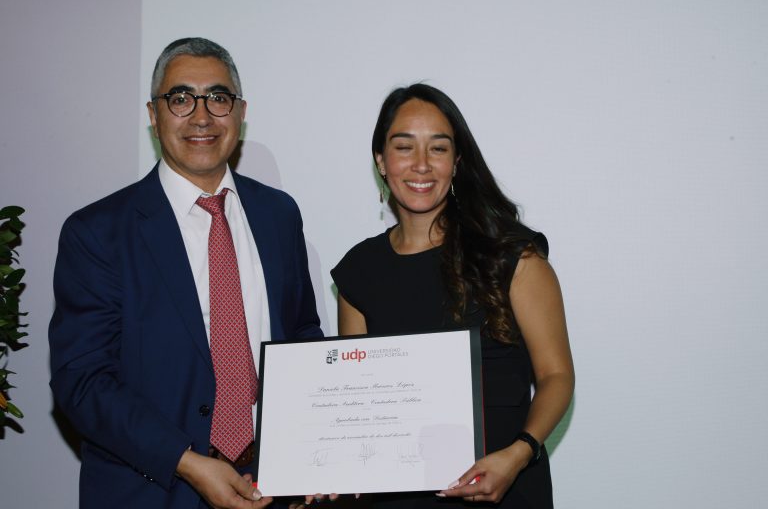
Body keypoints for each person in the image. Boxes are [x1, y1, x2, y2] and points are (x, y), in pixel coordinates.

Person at [49, 37, 323, 509]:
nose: (201, 116)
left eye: (218, 97)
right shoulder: (97, 232)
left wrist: (316, 449)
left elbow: (301, 335)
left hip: (272, 488)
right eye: (180, 99)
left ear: (240, 112)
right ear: (154, 116)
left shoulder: (279, 214)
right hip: (152, 490)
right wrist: (187, 462)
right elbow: (83, 381)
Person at [331, 83, 574, 508]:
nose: (421, 164)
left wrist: (518, 454)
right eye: (404, 147)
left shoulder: (512, 257)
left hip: (504, 489)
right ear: (381, 161)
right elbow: (358, 403)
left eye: (438, 149)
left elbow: (557, 375)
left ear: (457, 162)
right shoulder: (358, 270)